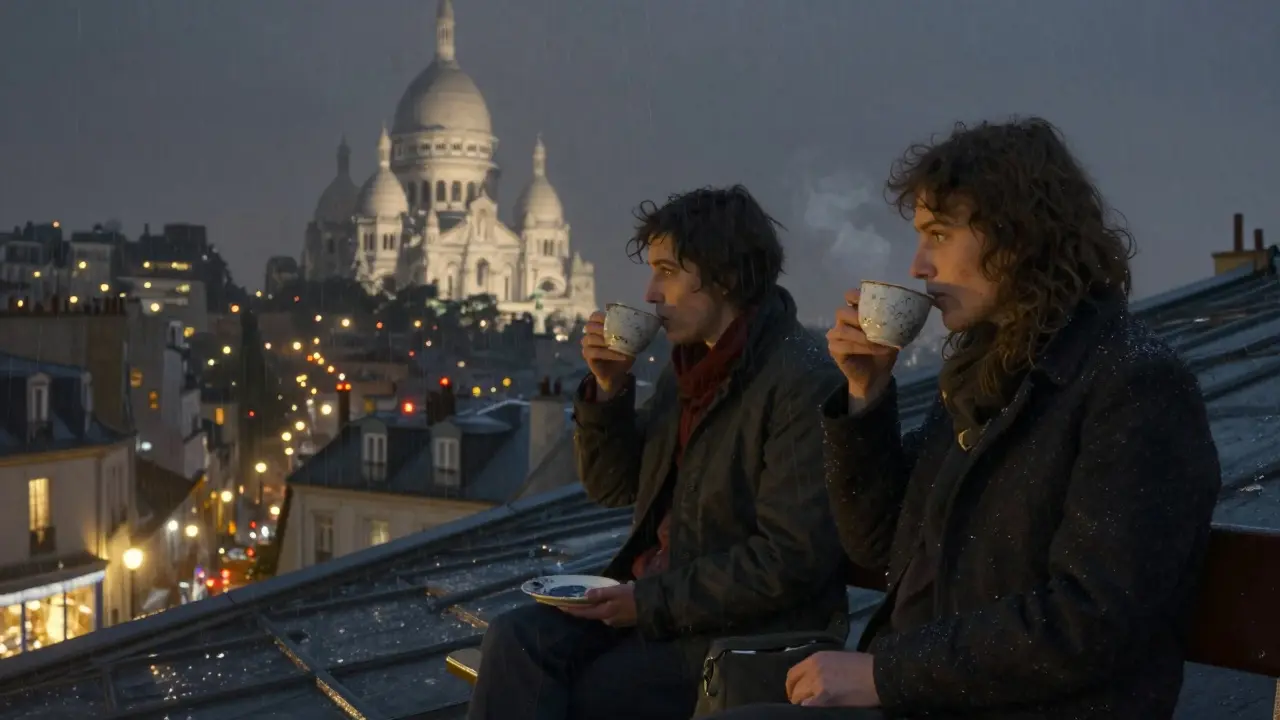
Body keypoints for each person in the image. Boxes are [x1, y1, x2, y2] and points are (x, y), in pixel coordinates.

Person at [714, 118, 1223, 718]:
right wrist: (865, 396)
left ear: (1018, 235)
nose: (919, 266)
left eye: (939, 234)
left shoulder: (1133, 385)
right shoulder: (990, 372)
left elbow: (1092, 619)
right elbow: (880, 544)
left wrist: (885, 674)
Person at [467, 185, 849, 720]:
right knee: (514, 639)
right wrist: (607, 394)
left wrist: (645, 602)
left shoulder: (801, 380)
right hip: (661, 608)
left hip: (736, 637)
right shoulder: (691, 368)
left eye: (667, 271)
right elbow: (613, 487)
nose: (650, 293)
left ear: (726, 277)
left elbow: (789, 561)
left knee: (579, 694)